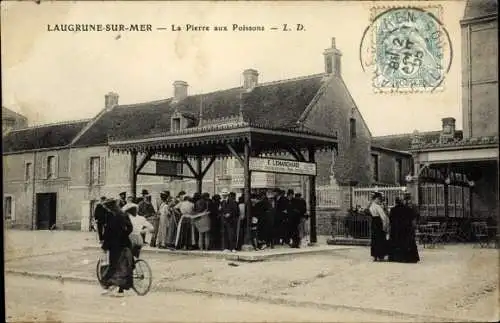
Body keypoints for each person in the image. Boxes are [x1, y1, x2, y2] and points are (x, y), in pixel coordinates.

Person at [100, 198, 134, 297]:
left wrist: (105, 246)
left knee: (113, 266)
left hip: (115, 245)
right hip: (125, 243)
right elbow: (130, 228)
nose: (106, 209)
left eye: (107, 207)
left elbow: (108, 233)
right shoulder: (123, 214)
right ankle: (120, 290)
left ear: (110, 207)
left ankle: (106, 284)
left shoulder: (111, 216)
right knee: (125, 266)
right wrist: (124, 235)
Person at [369, 192, 389, 262]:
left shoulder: (371, 206)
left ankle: (375, 255)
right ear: (376, 199)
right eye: (379, 199)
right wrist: (385, 225)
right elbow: (383, 217)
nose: (380, 201)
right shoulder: (378, 207)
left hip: (374, 222)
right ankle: (381, 255)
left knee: (374, 239)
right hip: (378, 223)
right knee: (380, 239)